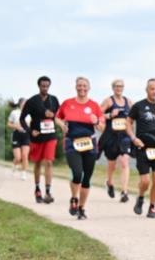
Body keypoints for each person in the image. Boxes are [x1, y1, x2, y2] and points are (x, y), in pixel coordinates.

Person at [57, 76, 104, 220]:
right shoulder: (67, 103)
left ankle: (82, 208)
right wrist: (62, 125)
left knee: (87, 178)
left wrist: (97, 122)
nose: (82, 88)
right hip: (72, 142)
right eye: (79, 85)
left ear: (89, 88)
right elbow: (57, 117)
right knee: (77, 173)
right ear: (76, 87)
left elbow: (102, 127)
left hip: (89, 144)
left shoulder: (95, 106)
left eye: (84, 86)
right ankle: (74, 198)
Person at [128, 79, 155, 218]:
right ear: (147, 90)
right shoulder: (138, 106)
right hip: (143, 148)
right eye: (152, 89)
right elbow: (128, 122)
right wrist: (134, 138)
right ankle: (140, 197)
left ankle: (152, 207)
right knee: (145, 181)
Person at [20, 76, 60, 204]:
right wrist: (30, 131)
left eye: (47, 86)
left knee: (48, 162)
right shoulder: (32, 101)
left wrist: (56, 118)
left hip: (51, 136)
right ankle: (37, 189)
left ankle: (48, 191)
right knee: (37, 163)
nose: (45, 88)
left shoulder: (54, 100)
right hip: (37, 137)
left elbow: (58, 116)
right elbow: (22, 119)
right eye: (43, 86)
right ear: (39, 86)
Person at [99, 79, 133, 202]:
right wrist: (109, 115)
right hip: (111, 137)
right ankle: (110, 182)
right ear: (113, 88)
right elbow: (97, 114)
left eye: (121, 86)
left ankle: (124, 192)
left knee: (124, 161)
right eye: (117, 86)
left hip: (124, 137)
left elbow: (135, 115)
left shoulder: (128, 101)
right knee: (112, 164)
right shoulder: (109, 101)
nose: (119, 88)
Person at [7, 98, 30, 179]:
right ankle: (14, 165)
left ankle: (23, 173)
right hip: (16, 135)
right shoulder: (14, 113)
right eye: (23, 103)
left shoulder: (30, 113)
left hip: (26, 135)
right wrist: (16, 126)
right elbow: (9, 124)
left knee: (25, 155)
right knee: (18, 157)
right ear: (20, 104)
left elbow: (32, 124)